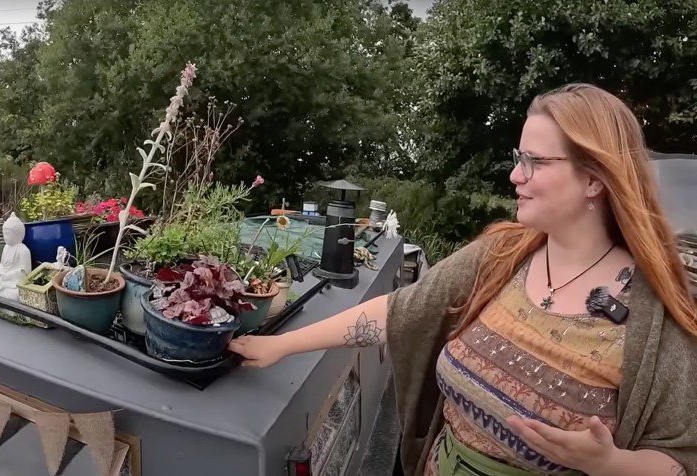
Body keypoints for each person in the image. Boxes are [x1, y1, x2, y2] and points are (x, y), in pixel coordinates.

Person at [229, 83, 697, 476]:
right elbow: (401, 311)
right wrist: (279, 346)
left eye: (535, 161)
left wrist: (610, 465)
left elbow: (680, 456)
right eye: (519, 157)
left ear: (594, 179)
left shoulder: (656, 309)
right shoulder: (500, 255)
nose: (516, 175)